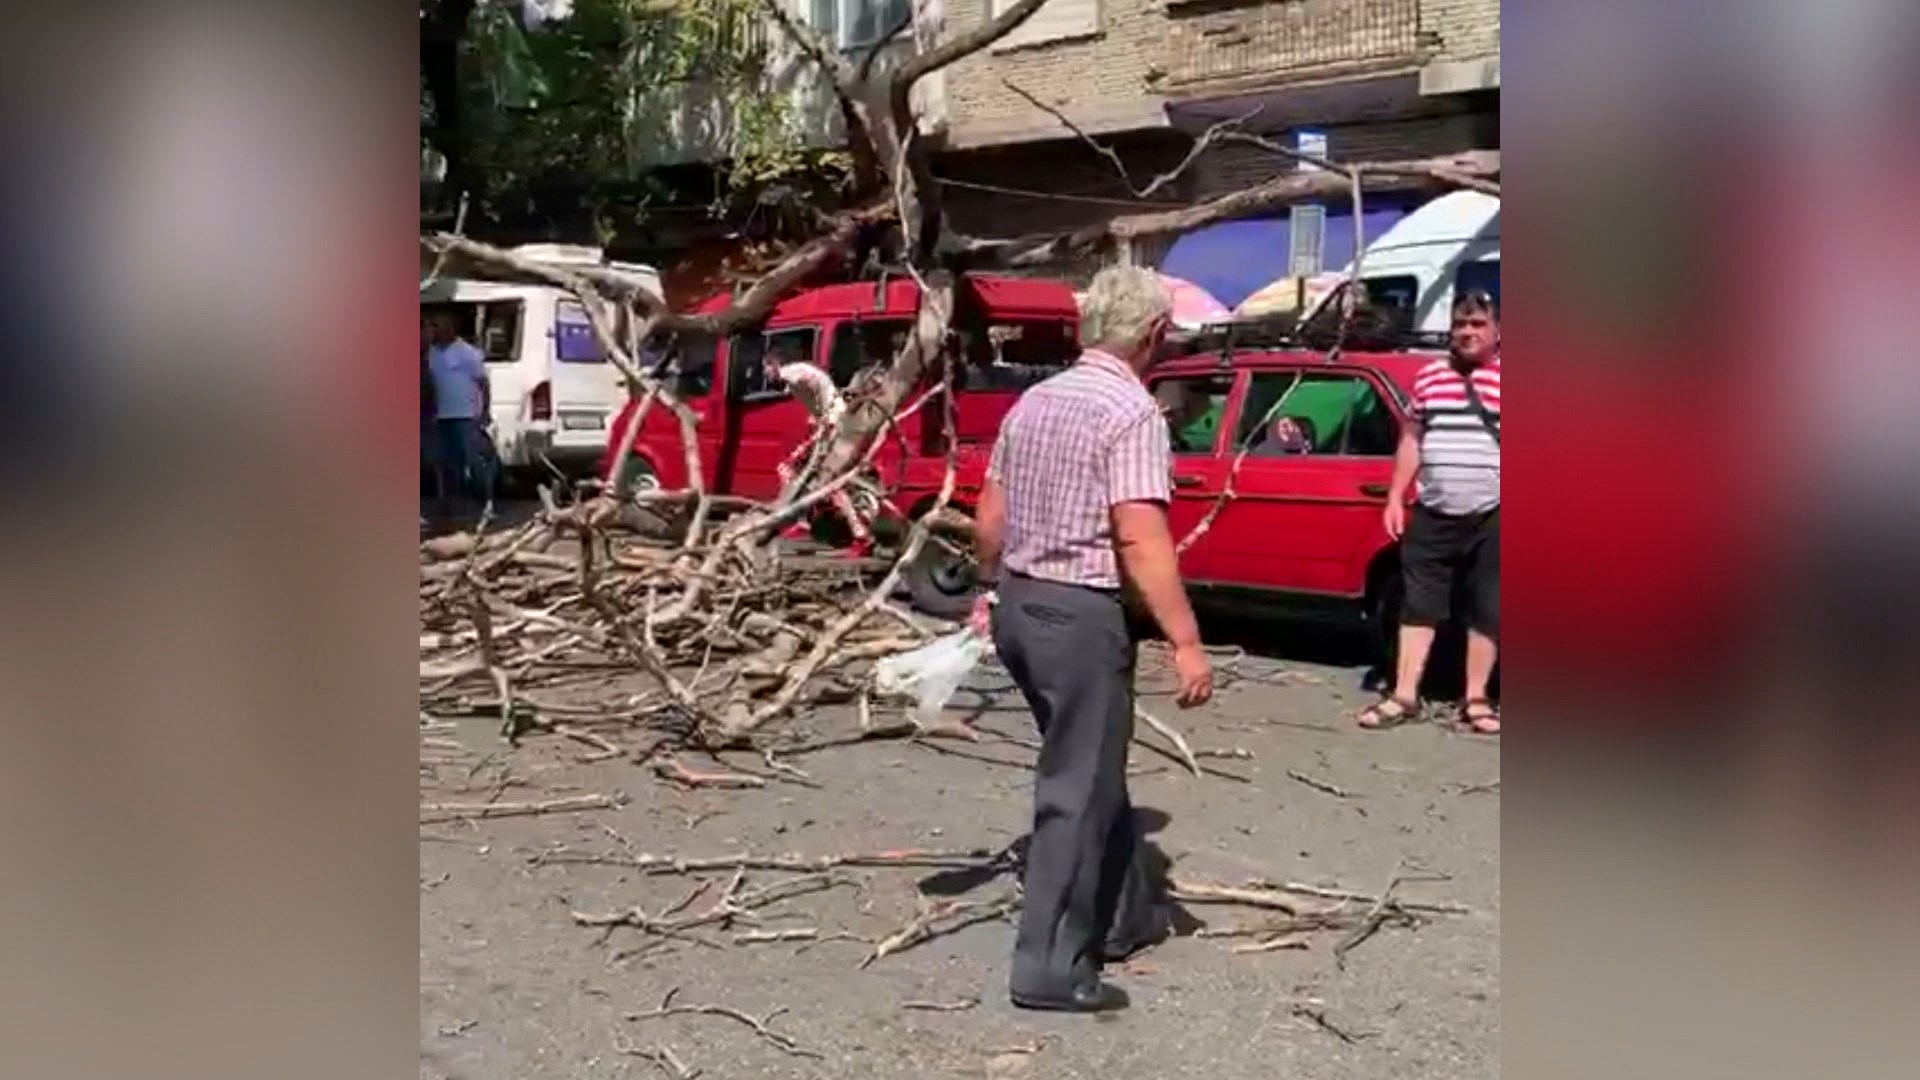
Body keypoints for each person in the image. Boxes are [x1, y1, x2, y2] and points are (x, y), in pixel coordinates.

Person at [969, 265, 1215, 1014]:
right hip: (1079, 614)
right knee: (1075, 790)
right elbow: (1140, 538)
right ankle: (1046, 965)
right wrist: (1186, 640)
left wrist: (990, 590)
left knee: (1092, 771)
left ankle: (1119, 917)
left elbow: (989, 518)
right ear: (1153, 335)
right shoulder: (1131, 412)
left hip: (1021, 605)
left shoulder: (1033, 402)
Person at [1359, 289, 1501, 733]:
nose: (1467, 332)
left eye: (1477, 324)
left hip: (1494, 513)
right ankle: (1403, 695)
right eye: (1460, 324)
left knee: (1487, 608)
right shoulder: (1429, 378)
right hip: (1433, 511)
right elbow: (1411, 440)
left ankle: (1477, 698)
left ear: (1498, 332)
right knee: (1418, 606)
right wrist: (1394, 496)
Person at [764, 348, 874, 556]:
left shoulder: (790, 373)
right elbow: (819, 385)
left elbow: (813, 381)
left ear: (774, 364)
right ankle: (807, 519)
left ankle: (859, 533)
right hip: (832, 423)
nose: (765, 372)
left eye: (766, 367)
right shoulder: (792, 378)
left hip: (832, 425)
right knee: (807, 474)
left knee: (804, 474)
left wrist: (825, 417)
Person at [424, 307, 494, 521]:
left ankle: (488, 504)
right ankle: (448, 507)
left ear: (451, 328)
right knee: (446, 463)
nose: (435, 330)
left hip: (466, 416)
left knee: (474, 462)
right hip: (441, 416)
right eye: (433, 326)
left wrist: (485, 411)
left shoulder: (468, 353)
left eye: (439, 326)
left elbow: (483, 383)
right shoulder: (432, 353)